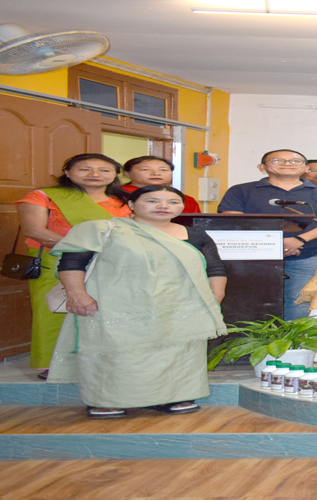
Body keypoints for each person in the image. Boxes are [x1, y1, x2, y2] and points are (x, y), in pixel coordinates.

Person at [49, 185, 227, 418]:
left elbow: (215, 269)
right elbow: (72, 263)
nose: (163, 206)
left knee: (177, 353)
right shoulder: (103, 229)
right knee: (117, 353)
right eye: (152, 201)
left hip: (181, 305)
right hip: (116, 305)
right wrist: (77, 294)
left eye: (173, 202)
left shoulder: (195, 235)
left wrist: (214, 299)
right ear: (131, 204)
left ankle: (173, 397)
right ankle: (105, 400)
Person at [16, 153, 133, 375]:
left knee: (104, 312)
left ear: (115, 175)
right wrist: (82, 249)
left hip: (111, 262)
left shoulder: (125, 201)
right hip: (56, 260)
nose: (95, 174)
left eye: (104, 170)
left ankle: (101, 363)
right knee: (54, 311)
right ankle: (54, 365)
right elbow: (34, 230)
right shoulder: (44, 196)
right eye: (85, 169)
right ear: (68, 173)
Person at [218, 149, 317, 319]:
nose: (287, 164)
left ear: (306, 168)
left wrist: (299, 240)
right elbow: (232, 220)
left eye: (295, 161)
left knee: (300, 304)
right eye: (277, 160)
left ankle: (294, 337)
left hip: (307, 255)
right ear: (261, 167)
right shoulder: (241, 190)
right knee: (252, 301)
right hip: (253, 257)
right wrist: (273, 244)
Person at [120, 156, 201, 213]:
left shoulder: (186, 199)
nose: (156, 173)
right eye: (145, 169)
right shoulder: (117, 195)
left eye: (163, 170)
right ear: (126, 173)